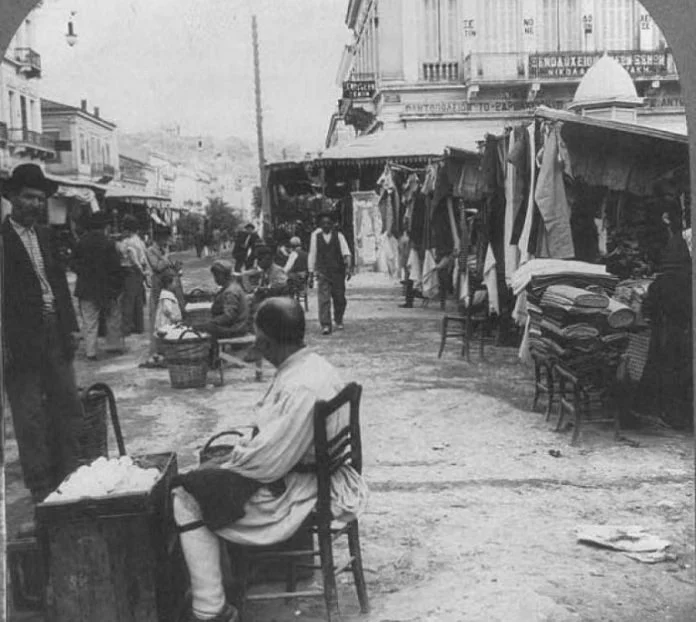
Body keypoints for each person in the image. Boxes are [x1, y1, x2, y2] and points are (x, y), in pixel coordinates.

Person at [171, 298, 369, 622]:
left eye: (260, 338)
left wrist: (228, 462)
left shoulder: (301, 386)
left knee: (186, 496)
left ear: (269, 341)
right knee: (207, 476)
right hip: (303, 470)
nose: (258, 345)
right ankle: (221, 583)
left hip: (301, 487)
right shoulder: (310, 364)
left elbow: (267, 463)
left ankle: (210, 609)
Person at [0, 163, 86, 503]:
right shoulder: (3, 241)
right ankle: (41, 492)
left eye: (40, 198)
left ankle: (72, 480)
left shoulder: (46, 236)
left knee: (68, 407)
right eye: (28, 197)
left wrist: (72, 328)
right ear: (11, 197)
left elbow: (59, 286)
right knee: (30, 417)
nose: (35, 204)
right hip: (19, 340)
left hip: (55, 334)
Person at [73, 211, 124, 360]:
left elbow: (73, 263)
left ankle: (91, 351)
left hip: (86, 287)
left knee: (89, 321)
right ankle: (113, 346)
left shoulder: (81, 242)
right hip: (106, 287)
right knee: (112, 316)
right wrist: (118, 286)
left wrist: (84, 273)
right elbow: (115, 267)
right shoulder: (109, 243)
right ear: (105, 226)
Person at [143, 226, 184, 366]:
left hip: (169, 285)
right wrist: (166, 259)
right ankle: (158, 350)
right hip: (158, 286)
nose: (167, 241)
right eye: (165, 238)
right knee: (159, 316)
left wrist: (175, 267)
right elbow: (157, 266)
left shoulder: (164, 249)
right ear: (158, 238)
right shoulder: (150, 251)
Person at [308, 212, 352, 335]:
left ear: (332, 224)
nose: (326, 225)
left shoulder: (339, 236)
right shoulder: (315, 236)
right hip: (323, 272)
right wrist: (311, 273)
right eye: (323, 223)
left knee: (339, 298)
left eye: (328, 223)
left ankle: (338, 318)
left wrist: (348, 268)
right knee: (324, 299)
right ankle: (326, 324)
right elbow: (312, 254)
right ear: (320, 225)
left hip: (338, 272)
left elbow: (346, 253)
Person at [203, 260, 250, 339]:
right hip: (237, 326)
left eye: (217, 275)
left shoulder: (230, 292)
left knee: (206, 327)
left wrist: (212, 322)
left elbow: (229, 316)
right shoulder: (230, 287)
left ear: (225, 275)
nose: (215, 279)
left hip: (236, 329)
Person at [119, 215, 150, 336]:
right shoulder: (140, 241)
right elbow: (143, 258)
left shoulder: (129, 242)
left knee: (128, 300)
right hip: (138, 273)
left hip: (130, 270)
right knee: (138, 299)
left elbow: (133, 258)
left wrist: (140, 269)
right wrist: (144, 272)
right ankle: (139, 325)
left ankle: (126, 327)